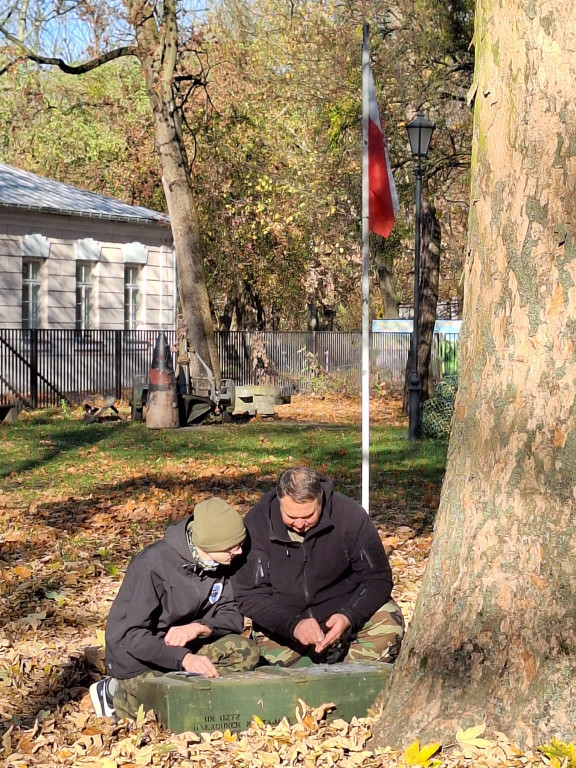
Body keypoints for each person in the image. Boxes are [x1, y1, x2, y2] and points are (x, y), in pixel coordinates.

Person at [90, 498, 259, 720]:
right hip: (140, 659)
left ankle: (188, 688)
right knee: (170, 710)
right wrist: (184, 659)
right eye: (232, 547)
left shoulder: (223, 562)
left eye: (240, 544)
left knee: (246, 653)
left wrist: (199, 628)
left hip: (190, 648)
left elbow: (232, 617)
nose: (239, 552)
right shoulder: (152, 564)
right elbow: (131, 636)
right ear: (208, 544)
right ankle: (114, 693)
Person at [232, 467, 404, 667]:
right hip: (285, 624)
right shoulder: (257, 524)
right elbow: (248, 594)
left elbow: (378, 578)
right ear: (279, 500)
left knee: (388, 622)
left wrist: (349, 616)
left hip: (343, 613)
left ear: (320, 499)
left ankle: (351, 676)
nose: (299, 524)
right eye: (291, 516)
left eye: (308, 516)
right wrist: (293, 625)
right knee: (277, 670)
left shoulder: (350, 516)